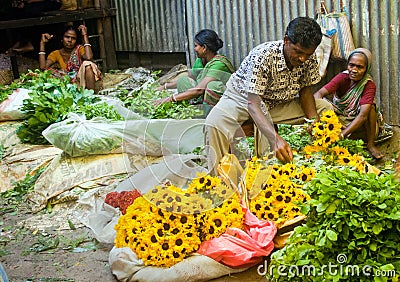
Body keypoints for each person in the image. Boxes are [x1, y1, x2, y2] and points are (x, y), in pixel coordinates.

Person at [204, 17, 333, 175]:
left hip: (277, 103)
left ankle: (321, 159)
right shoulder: (264, 55)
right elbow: (253, 104)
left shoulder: (308, 58)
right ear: (286, 40)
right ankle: (218, 180)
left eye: (308, 54)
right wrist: (276, 139)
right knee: (214, 123)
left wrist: (315, 123)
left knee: (324, 108)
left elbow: (306, 91)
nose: (302, 59)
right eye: (298, 52)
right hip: (242, 99)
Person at [314, 48, 390, 159]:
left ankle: (370, 144)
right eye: (351, 65)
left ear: (366, 69)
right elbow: (318, 94)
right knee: (321, 104)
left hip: (360, 124)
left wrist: (342, 134)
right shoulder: (342, 78)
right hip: (341, 120)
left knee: (371, 107)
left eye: (359, 67)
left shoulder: (368, 85)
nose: (354, 70)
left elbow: (363, 115)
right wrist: (333, 122)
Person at [153, 29, 235, 111]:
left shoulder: (219, 64)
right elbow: (190, 76)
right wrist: (164, 86)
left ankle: (210, 114)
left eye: (196, 46)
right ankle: (193, 110)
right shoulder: (200, 60)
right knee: (183, 80)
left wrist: (170, 99)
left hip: (224, 102)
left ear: (204, 48)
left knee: (212, 86)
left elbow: (199, 90)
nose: (194, 49)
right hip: (202, 96)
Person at [39, 25, 102, 91]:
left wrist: (84, 35)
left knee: (88, 64)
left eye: (73, 38)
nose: (70, 40)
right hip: (66, 84)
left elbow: (89, 57)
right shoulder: (56, 54)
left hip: (81, 82)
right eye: (67, 37)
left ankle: (91, 94)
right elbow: (43, 67)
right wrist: (42, 43)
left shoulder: (79, 49)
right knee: (48, 72)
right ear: (62, 38)